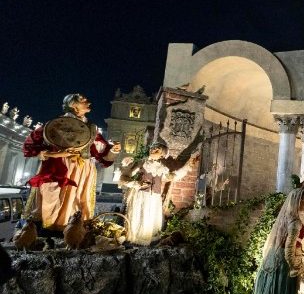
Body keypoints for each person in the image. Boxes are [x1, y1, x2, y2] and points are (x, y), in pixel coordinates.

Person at [22, 94, 120, 232]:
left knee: (78, 198)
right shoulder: (57, 123)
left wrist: (114, 150)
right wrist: (56, 154)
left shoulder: (91, 128)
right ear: (73, 105)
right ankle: (53, 228)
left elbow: (101, 153)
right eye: (83, 100)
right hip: (62, 165)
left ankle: (74, 228)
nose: (88, 101)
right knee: (56, 195)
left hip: (84, 168)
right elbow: (30, 146)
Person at [119, 142, 198, 245]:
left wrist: (188, 166)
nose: (153, 150)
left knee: (150, 220)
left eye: (157, 150)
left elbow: (173, 176)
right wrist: (137, 183)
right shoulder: (142, 163)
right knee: (139, 217)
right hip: (141, 196)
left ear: (162, 155)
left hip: (154, 199)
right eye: (153, 148)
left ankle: (146, 243)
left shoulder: (162, 168)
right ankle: (134, 241)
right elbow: (123, 178)